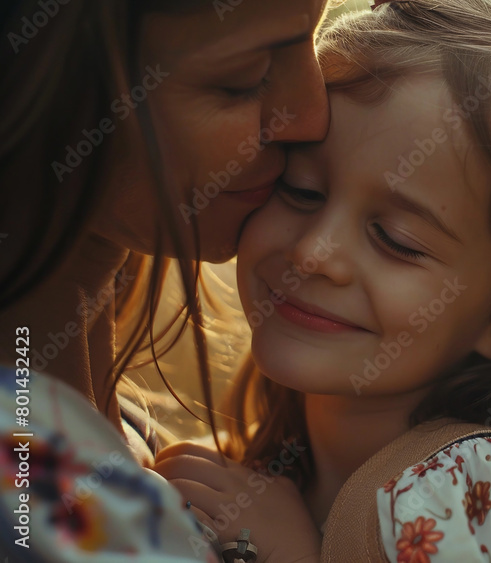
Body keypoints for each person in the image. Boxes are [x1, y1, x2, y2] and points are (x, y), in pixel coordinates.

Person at [154, 0, 491, 560]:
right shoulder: (263, 467)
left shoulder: (468, 487)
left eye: (395, 240)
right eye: (301, 191)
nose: (315, 253)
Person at [0, 1, 333, 560]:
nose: (312, 112)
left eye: (315, 40)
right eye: (243, 80)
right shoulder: (32, 501)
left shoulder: (109, 430)